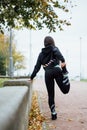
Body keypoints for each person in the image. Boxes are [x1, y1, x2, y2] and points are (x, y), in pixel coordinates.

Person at [29, 36, 70, 120]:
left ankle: (53, 114)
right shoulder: (54, 49)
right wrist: (63, 64)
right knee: (65, 90)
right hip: (57, 71)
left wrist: (32, 77)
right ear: (52, 42)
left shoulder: (41, 54)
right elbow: (62, 58)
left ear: (44, 43)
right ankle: (65, 73)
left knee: (51, 95)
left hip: (47, 74)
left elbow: (37, 67)